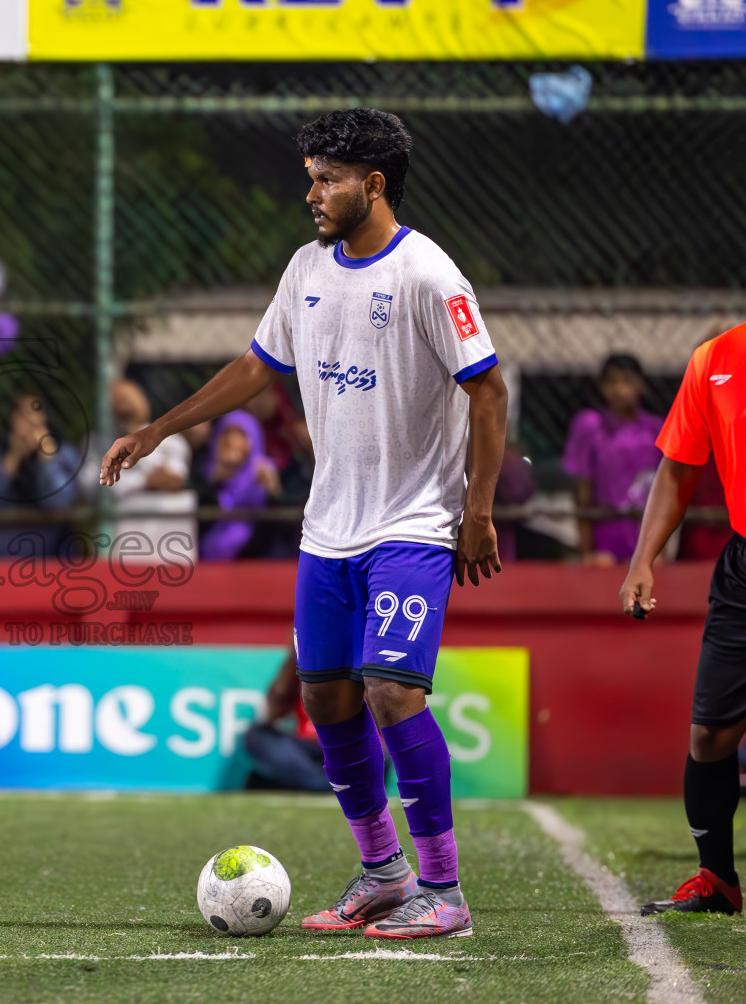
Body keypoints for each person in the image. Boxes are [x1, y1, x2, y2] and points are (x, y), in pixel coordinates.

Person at [102, 108, 507, 940]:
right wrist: (159, 429)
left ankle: (445, 890)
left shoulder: (430, 275)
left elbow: (489, 390)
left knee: (393, 692)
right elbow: (257, 365)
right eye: (310, 177)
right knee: (327, 701)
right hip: (329, 531)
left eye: (328, 179)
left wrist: (476, 509)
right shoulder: (306, 269)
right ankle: (383, 872)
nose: (313, 194)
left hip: (413, 523)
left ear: (375, 183)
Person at [622, 221, 746, 916]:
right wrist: (645, 560)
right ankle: (717, 878)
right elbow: (677, 472)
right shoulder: (716, 360)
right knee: (710, 736)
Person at [562, 354, 664, 565]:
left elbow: (666, 494)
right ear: (602, 387)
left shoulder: (657, 429)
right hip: (605, 542)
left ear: (640, 384)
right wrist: (587, 551)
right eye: (612, 381)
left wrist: (661, 550)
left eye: (627, 380)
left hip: (645, 540)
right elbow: (582, 492)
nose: (620, 389)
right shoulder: (590, 426)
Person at [0, 391, 82, 555]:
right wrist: (12, 458)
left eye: (36, 415)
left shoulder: (64, 454)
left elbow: (59, 503)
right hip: (3, 556)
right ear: (11, 419)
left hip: (54, 557)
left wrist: (47, 460)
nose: (30, 422)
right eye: (23, 415)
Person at [103, 378, 197, 564]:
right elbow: (104, 488)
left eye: (127, 398)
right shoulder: (97, 443)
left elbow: (174, 478)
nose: (124, 405)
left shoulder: (170, 439)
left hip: (171, 546)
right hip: (123, 546)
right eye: (118, 400)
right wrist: (146, 482)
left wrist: (132, 481)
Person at [244, 648, 330, 793]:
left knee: (376, 754)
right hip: (306, 747)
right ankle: (323, 784)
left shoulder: (360, 656)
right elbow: (277, 705)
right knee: (258, 734)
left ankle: (317, 784)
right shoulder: (306, 658)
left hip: (349, 743)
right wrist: (296, 653)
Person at [199, 410, 279, 561]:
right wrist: (214, 482)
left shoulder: (264, 470)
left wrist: (271, 489)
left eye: (240, 434)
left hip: (254, 559)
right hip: (207, 560)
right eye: (227, 433)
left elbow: (276, 523)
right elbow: (201, 521)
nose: (232, 440)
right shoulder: (206, 472)